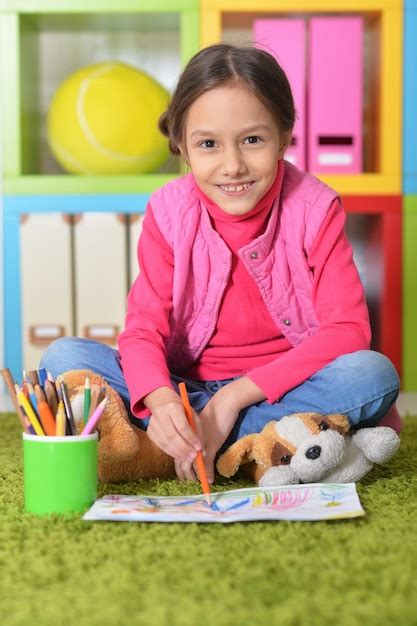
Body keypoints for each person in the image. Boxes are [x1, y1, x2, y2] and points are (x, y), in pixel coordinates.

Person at [40, 43, 402, 484]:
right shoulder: (168, 211)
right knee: (62, 358)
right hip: (184, 387)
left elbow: (348, 331)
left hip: (278, 391)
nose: (232, 166)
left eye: (252, 140)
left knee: (373, 375)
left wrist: (230, 400)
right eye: (209, 144)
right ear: (182, 146)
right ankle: (255, 442)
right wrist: (161, 402)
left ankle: (184, 445)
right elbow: (142, 330)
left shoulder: (315, 207)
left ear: (285, 136)